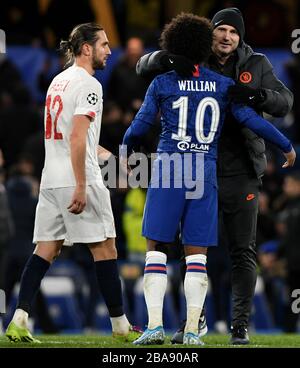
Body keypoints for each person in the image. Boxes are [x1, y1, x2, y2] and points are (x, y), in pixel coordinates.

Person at [120, 13, 295, 345]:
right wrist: (285, 145)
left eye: (233, 32)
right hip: (205, 172)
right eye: (221, 31)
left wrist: (126, 152)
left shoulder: (163, 82)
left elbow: (140, 126)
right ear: (206, 41)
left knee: (157, 249)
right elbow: (252, 120)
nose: (227, 36)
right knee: (197, 254)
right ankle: (191, 331)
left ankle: (156, 326)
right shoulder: (223, 85)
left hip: (174, 169)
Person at [5, 22, 141, 343]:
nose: (110, 50)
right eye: (105, 44)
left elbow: (74, 137)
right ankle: (120, 326)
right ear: (86, 49)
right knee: (106, 248)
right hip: (79, 178)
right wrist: (82, 184)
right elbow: (78, 137)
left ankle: (19, 318)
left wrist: (112, 159)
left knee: (45, 250)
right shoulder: (90, 85)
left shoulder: (57, 82)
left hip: (51, 179)